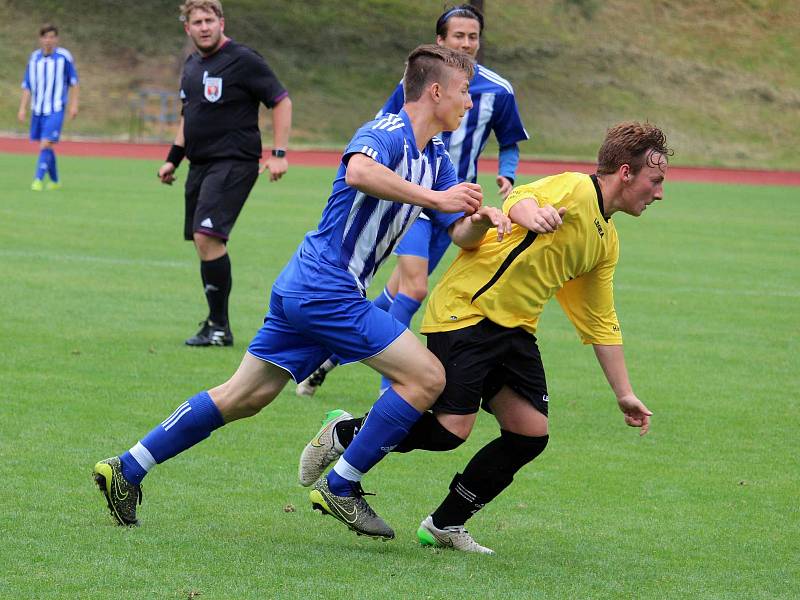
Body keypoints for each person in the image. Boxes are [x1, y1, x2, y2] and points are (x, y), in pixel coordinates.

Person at [93, 44, 520, 541]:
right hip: (326, 287)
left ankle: (127, 466)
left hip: (311, 285)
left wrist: (483, 220)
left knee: (243, 397)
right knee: (426, 378)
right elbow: (359, 171)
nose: (470, 104)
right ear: (436, 91)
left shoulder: (437, 157)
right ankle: (342, 484)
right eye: (465, 92)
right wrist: (434, 198)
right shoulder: (384, 131)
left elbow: (455, 227)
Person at [299, 121, 671, 553]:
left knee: (529, 434)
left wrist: (623, 393)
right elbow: (520, 198)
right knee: (450, 431)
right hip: (467, 311)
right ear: (625, 172)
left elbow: (600, 319)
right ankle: (345, 433)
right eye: (655, 180)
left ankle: (444, 524)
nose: (659, 193)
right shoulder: (576, 189)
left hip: (515, 330)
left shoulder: (607, 242)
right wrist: (530, 214)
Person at [296, 3, 528, 396]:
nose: (467, 43)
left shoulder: (498, 91)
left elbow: (510, 142)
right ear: (440, 42)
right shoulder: (418, 89)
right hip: (411, 198)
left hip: (452, 197)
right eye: (459, 36)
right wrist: (431, 196)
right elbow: (382, 134)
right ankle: (394, 385)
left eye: (473, 37)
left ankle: (330, 357)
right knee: (415, 288)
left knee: (396, 291)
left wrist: (505, 173)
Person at [157, 0, 293, 347]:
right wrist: (173, 158)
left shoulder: (244, 59)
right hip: (200, 164)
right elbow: (190, 117)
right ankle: (216, 325)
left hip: (234, 161)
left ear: (221, 22)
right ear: (187, 28)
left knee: (207, 237)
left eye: (209, 20)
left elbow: (281, 100)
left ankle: (220, 327)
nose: (203, 27)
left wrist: (278, 153)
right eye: (196, 22)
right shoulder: (190, 66)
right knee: (204, 242)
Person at [18, 24, 79, 192]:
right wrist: (22, 108)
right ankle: (55, 180)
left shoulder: (63, 57)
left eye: (52, 37)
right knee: (48, 146)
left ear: (56, 39)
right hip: (37, 109)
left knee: (45, 144)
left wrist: (74, 105)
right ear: (40, 39)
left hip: (56, 108)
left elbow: (74, 82)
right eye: (45, 37)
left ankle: (37, 179)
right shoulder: (34, 58)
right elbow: (27, 85)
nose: (48, 40)